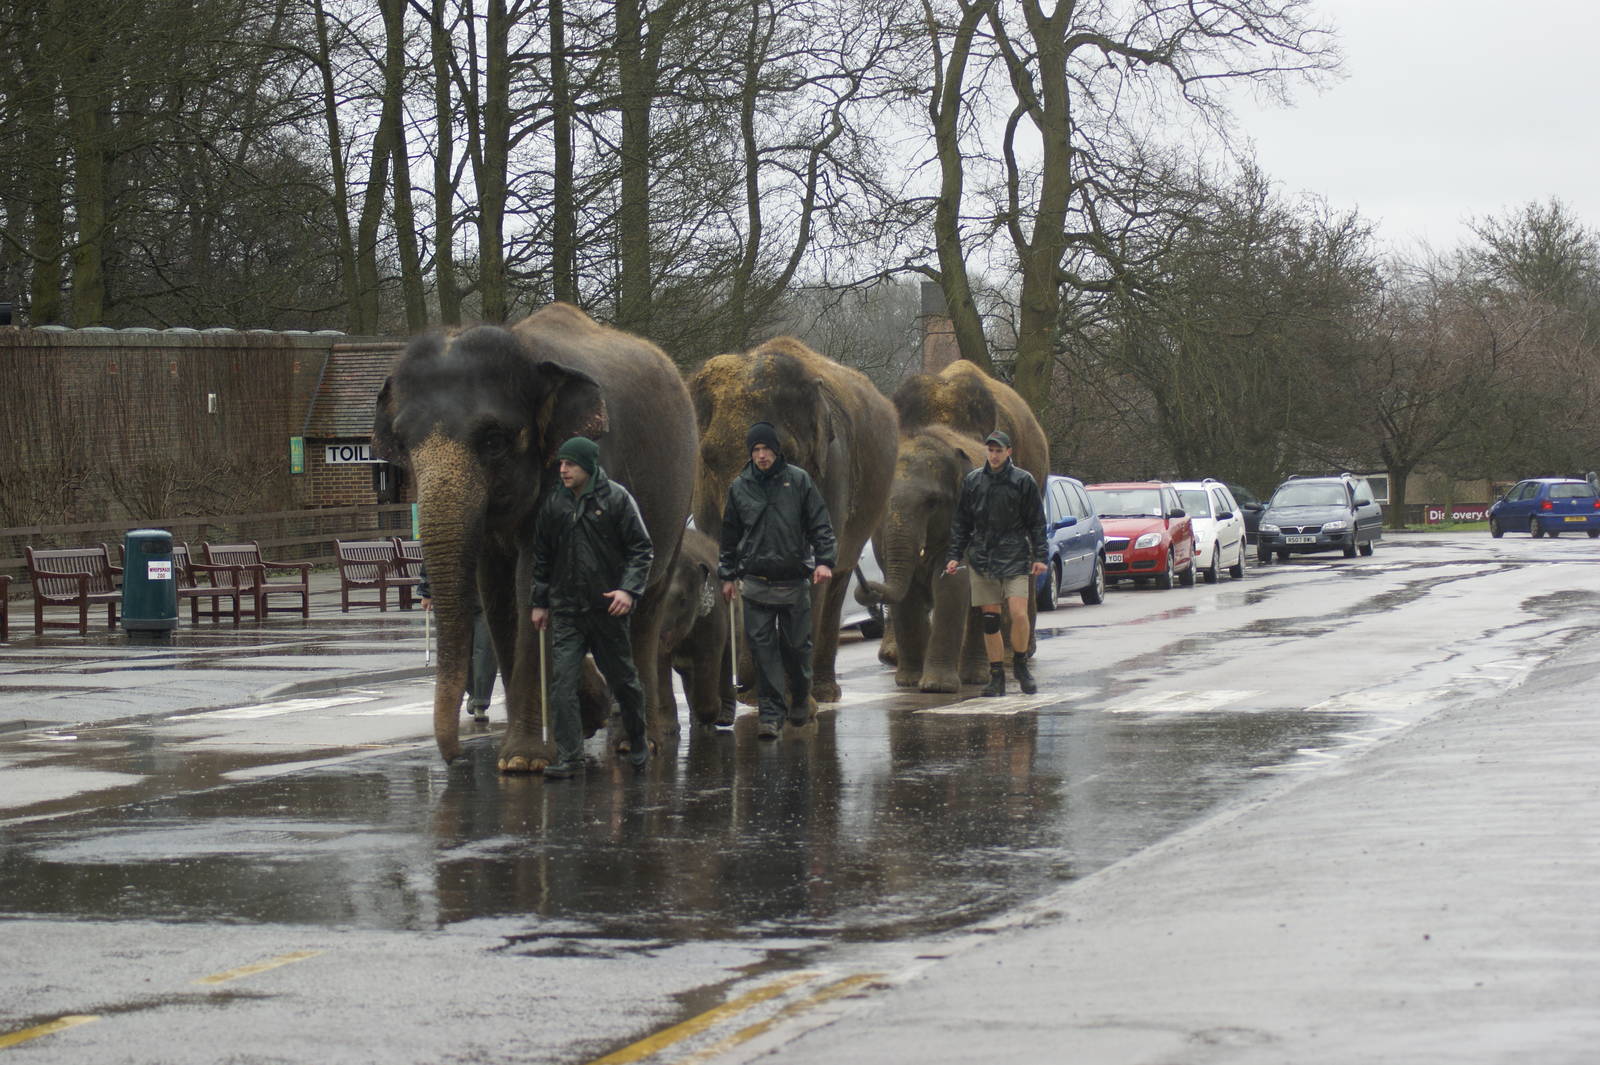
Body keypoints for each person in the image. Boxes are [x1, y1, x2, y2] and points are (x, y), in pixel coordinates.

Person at [528, 435, 654, 778]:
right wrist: (540, 601)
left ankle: (639, 737)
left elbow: (641, 549)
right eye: (562, 464)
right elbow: (543, 557)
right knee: (562, 684)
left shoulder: (616, 498)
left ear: (588, 466)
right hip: (568, 610)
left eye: (570, 464)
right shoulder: (555, 504)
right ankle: (570, 756)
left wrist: (628, 591)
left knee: (624, 681)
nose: (563, 470)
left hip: (607, 610)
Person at [718, 421, 837, 739]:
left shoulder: (798, 481)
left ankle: (799, 696)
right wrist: (727, 575)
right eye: (755, 450)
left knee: (797, 647)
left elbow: (820, 524)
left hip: (794, 580)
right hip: (755, 581)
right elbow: (729, 535)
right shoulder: (739, 487)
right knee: (762, 649)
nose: (761, 455)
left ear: (776, 450)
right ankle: (770, 714)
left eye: (766, 449)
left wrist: (825, 561)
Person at [944, 429, 1047, 696]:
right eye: (990, 450)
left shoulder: (1023, 481)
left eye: (999, 450)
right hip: (983, 558)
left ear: (1008, 452)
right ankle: (997, 675)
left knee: (1018, 613)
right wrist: (954, 555)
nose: (994, 454)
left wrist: (1041, 556)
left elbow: (1037, 522)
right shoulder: (973, 482)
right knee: (990, 620)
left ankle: (1021, 664)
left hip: (1015, 556)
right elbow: (961, 523)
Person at [417, 563, 497, 723]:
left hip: (453, 585)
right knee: (485, 646)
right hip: (486, 583)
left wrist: (427, 590)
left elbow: (434, 551)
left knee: (458, 645)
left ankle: (475, 693)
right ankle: (480, 700)